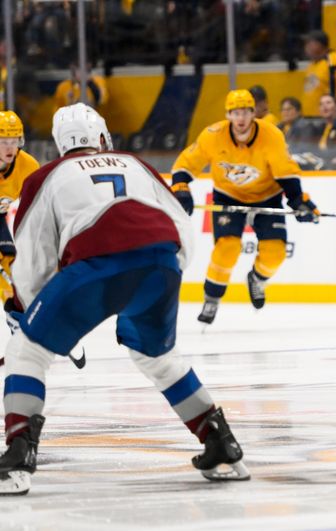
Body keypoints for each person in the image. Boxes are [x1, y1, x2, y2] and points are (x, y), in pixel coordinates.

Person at [0, 103, 249, 496]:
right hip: (162, 263)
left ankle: (18, 455)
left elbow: (33, 259)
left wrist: (31, 313)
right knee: (158, 356)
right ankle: (220, 442)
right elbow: (181, 227)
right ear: (102, 138)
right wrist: (167, 270)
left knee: (25, 352)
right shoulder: (135, 163)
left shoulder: (44, 176)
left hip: (95, 267)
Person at [170, 89, 319, 325]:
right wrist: (180, 187)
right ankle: (212, 298)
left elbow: (286, 171)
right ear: (228, 115)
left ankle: (257, 279)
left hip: (266, 196)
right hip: (228, 196)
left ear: (253, 113)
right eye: (235, 113)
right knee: (227, 248)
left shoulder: (271, 135)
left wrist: (298, 200)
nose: (240, 118)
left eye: (245, 112)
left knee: (275, 253)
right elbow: (187, 163)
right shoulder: (213, 135)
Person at [0, 111, 40, 304]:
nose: (10, 147)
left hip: (16, 236)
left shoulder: (29, 165)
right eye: (4, 141)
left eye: (14, 140)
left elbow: (38, 209)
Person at [301, 30, 336, 116]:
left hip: (326, 117)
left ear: (320, 44)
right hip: (309, 116)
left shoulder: (335, 60)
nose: (306, 47)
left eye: (310, 43)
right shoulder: (312, 65)